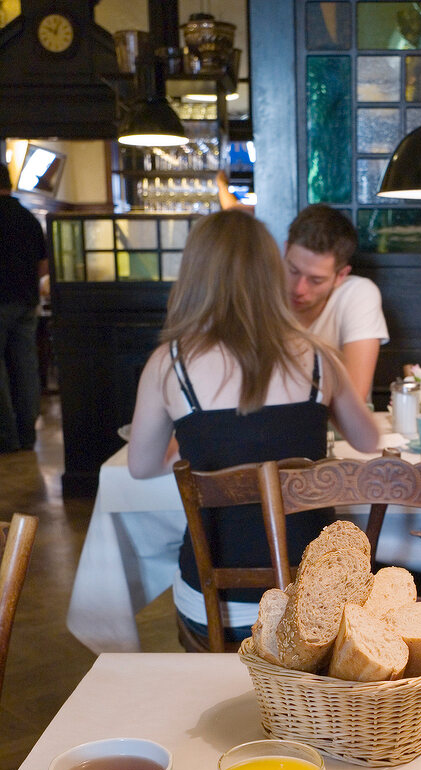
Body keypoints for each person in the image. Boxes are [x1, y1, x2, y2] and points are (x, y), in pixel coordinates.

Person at [127, 209, 379, 643]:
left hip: (214, 603)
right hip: (312, 600)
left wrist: (187, 437)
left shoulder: (169, 366)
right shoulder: (319, 357)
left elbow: (142, 467)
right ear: (271, 272)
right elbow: (368, 439)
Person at [217, 173, 388, 400]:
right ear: (285, 250)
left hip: (338, 433)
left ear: (341, 276)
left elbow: (354, 396)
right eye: (293, 270)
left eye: (316, 280)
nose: (299, 288)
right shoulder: (257, 293)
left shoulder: (358, 294)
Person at [0, 164, 48, 453]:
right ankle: (28, 435)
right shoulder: (28, 218)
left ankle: (6, 437)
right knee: (26, 366)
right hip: (27, 301)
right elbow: (43, 266)